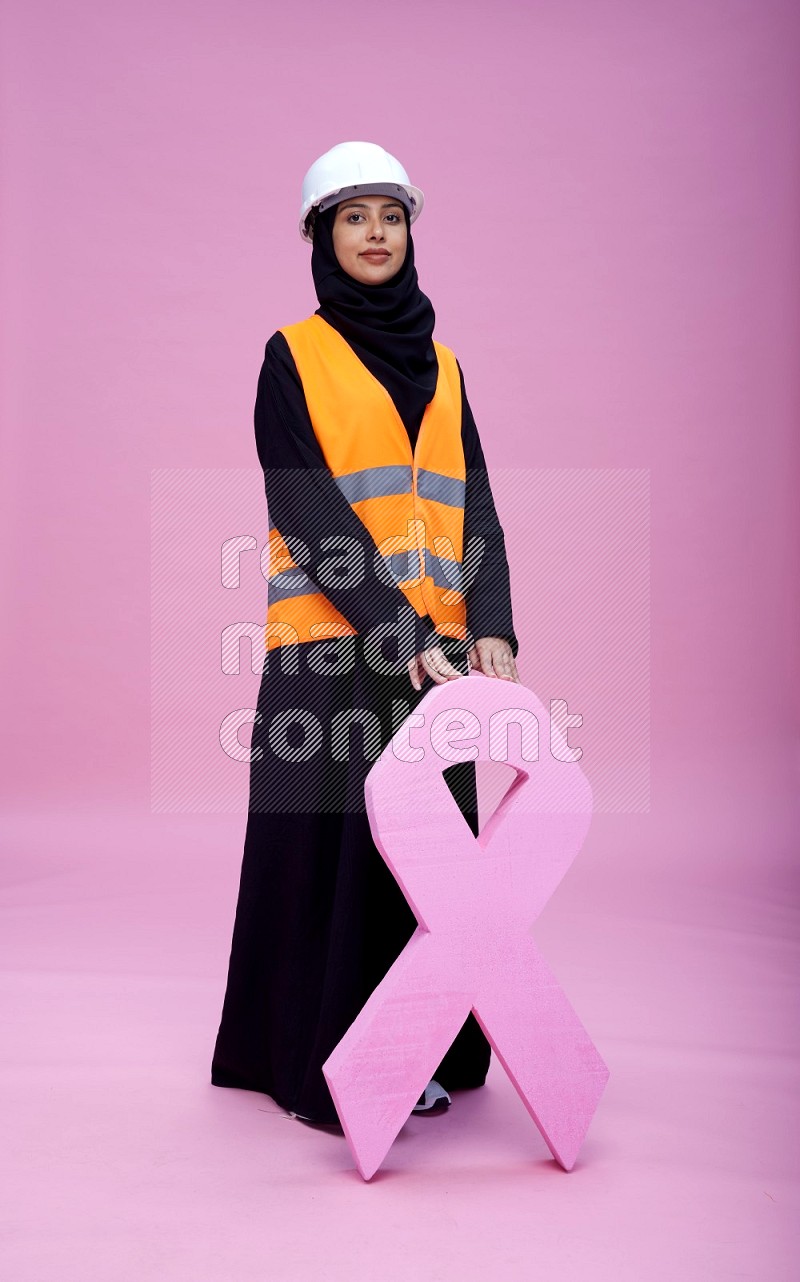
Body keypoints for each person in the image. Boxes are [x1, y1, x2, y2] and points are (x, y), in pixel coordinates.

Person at [211, 141, 520, 1125]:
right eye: (353, 217)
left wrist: (494, 627)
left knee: (420, 862)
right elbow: (307, 510)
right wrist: (397, 629)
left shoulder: (445, 364)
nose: (375, 234)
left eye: (389, 216)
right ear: (320, 236)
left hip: (434, 656)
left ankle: (416, 1050)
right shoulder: (289, 355)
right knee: (323, 851)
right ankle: (311, 1062)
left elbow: (471, 504)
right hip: (331, 648)